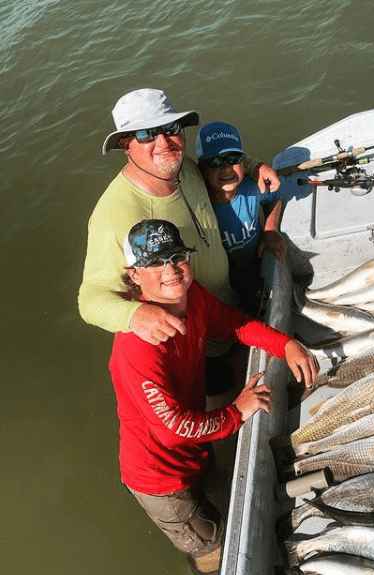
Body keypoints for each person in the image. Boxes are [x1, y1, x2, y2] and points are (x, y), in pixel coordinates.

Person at [110, 219, 318, 574]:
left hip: (194, 447)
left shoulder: (194, 296)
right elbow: (172, 429)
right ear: (134, 275)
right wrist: (236, 411)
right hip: (160, 478)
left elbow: (234, 324)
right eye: (156, 262)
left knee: (217, 487)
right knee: (212, 547)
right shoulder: (137, 348)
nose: (171, 270)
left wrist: (285, 344)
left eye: (177, 257)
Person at [78, 88, 280, 347]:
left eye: (170, 128)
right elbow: (91, 298)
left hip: (232, 306)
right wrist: (133, 315)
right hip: (196, 339)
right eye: (146, 134)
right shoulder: (114, 215)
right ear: (125, 144)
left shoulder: (184, 166)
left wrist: (254, 165)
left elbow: (220, 163)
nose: (164, 143)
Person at [196, 121, 288, 315]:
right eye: (214, 162)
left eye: (233, 158)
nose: (226, 168)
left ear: (245, 163)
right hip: (226, 280)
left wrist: (270, 230)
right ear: (202, 170)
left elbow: (274, 198)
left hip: (255, 262)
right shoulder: (200, 203)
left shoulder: (252, 188)